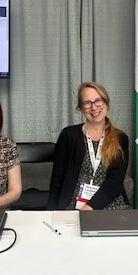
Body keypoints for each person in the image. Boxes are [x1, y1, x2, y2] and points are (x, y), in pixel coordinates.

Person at [47, 81, 129, 210]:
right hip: (73, 206)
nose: (94, 107)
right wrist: (50, 213)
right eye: (87, 103)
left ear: (106, 102)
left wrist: (90, 207)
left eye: (98, 100)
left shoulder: (120, 138)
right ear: (80, 108)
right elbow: (57, 180)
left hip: (111, 206)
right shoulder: (68, 135)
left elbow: (115, 181)